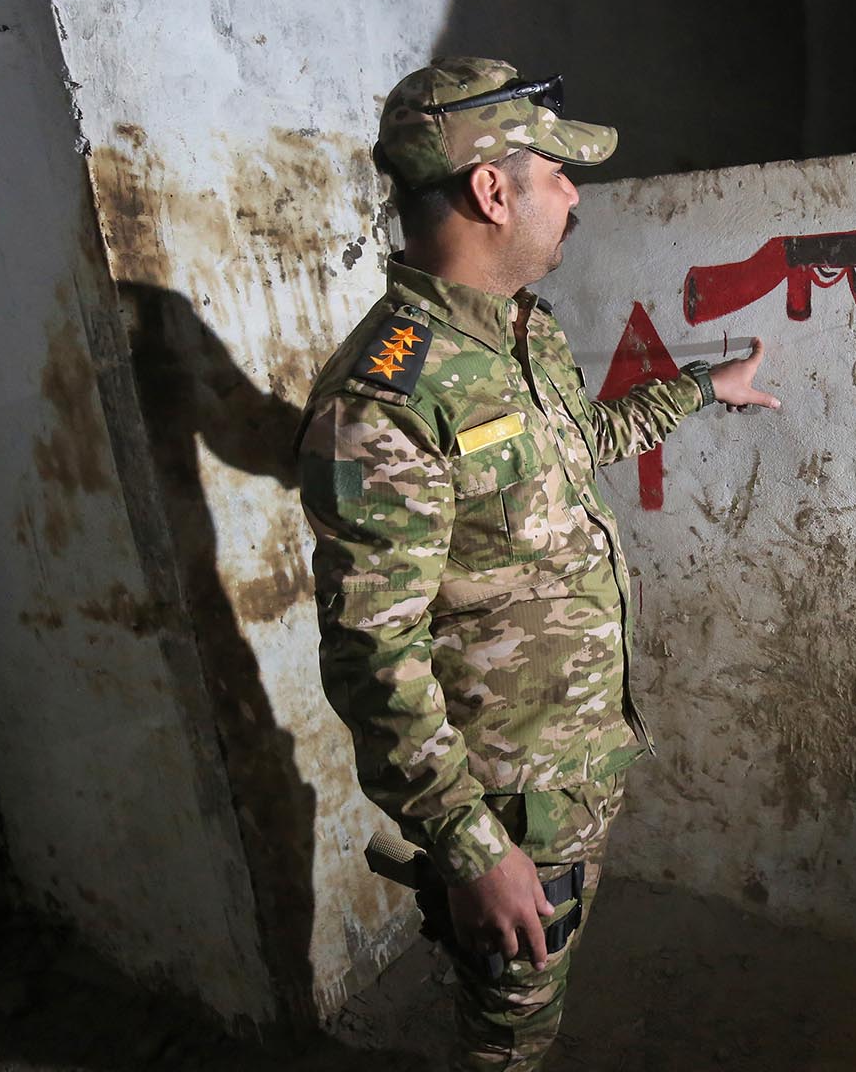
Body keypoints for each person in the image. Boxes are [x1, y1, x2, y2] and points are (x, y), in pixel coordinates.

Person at [295, 57, 779, 1068]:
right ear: (491, 190)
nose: (573, 195)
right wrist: (473, 850)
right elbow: (373, 652)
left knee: (526, 1006)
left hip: (576, 761)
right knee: (510, 1039)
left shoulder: (523, 332)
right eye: (557, 173)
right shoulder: (388, 396)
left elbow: (577, 446)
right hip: (507, 801)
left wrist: (702, 389)